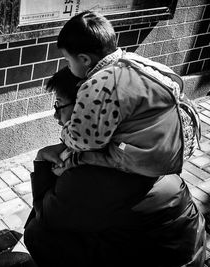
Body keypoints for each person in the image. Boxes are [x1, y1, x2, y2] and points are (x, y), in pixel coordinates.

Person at [24, 10, 206, 267]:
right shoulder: (132, 63)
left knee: (38, 235)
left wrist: (60, 148)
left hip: (170, 253)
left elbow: (83, 142)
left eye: (60, 107)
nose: (56, 116)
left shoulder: (98, 85)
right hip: (166, 161)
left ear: (85, 59)